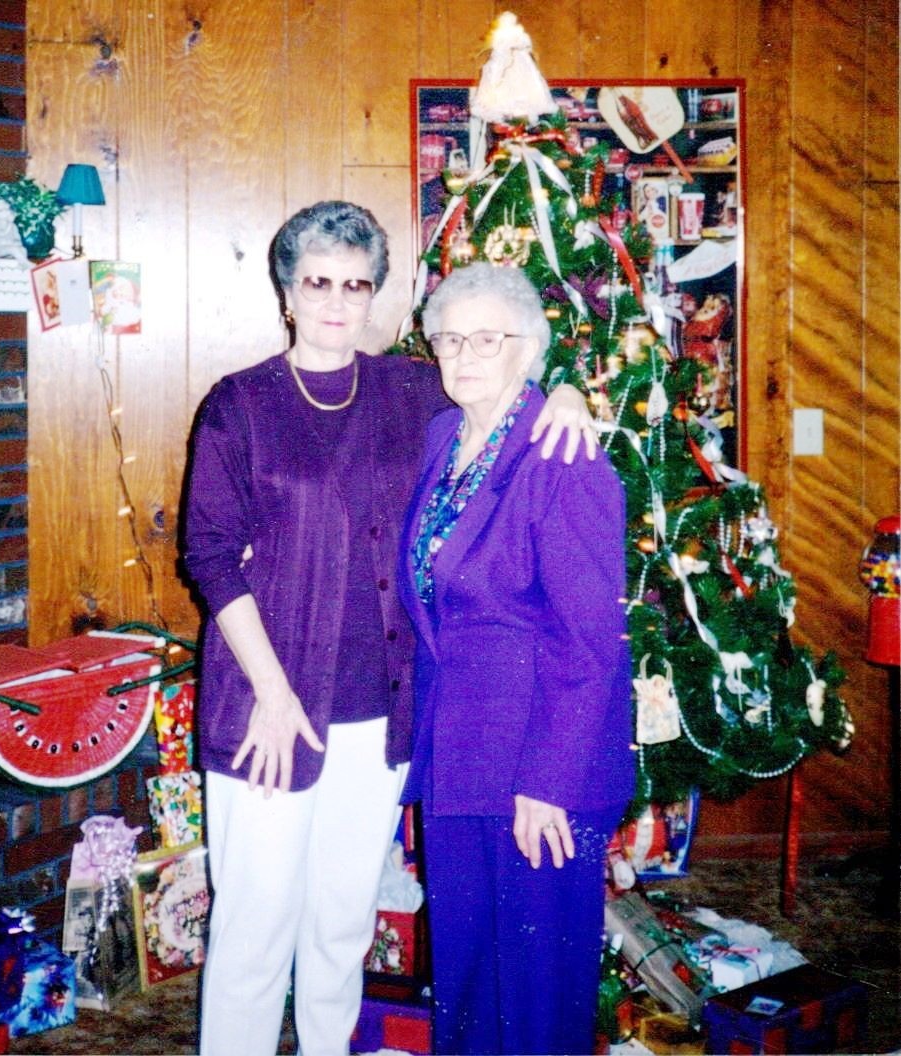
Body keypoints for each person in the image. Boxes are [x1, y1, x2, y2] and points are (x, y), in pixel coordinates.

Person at [181, 200, 596, 1056]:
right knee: (255, 929)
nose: (336, 302)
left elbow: (503, 372)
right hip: (268, 708)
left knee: (341, 923)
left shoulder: (412, 389)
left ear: (375, 295)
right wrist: (271, 694)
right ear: (286, 293)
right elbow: (211, 557)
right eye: (317, 282)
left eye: (355, 284)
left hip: (381, 713)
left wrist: (568, 392)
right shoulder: (238, 405)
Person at [397, 261, 635, 1055]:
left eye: (487, 339)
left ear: (528, 347)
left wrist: (547, 782)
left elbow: (588, 642)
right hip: (460, 753)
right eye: (448, 338)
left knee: (533, 994)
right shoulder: (442, 436)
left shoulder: (560, 454)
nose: (463, 355)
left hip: (539, 766)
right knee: (465, 976)